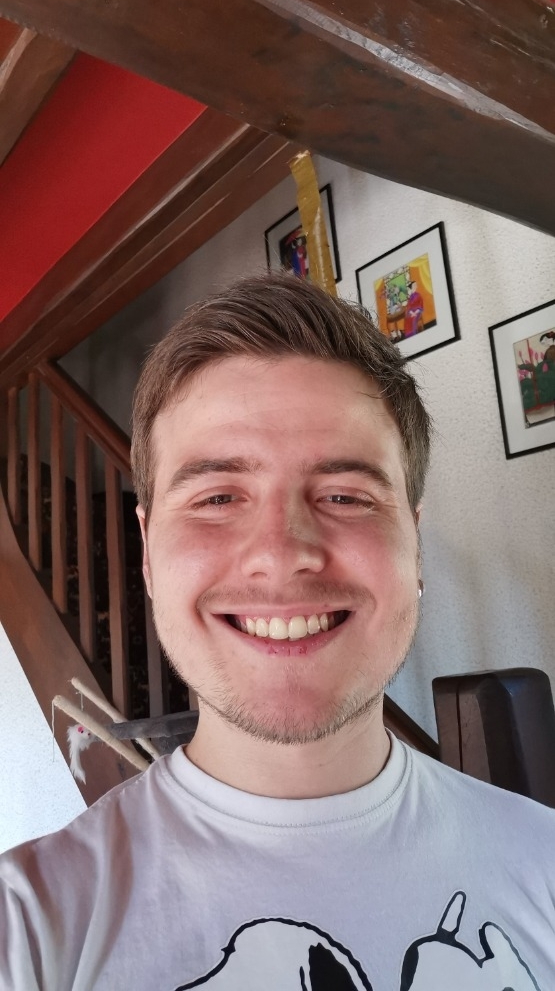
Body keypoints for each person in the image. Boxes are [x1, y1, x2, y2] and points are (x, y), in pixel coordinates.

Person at [0, 274, 554, 990]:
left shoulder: (543, 863)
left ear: (413, 547)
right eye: (217, 497)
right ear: (147, 554)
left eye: (345, 496)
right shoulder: (27, 931)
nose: (282, 552)